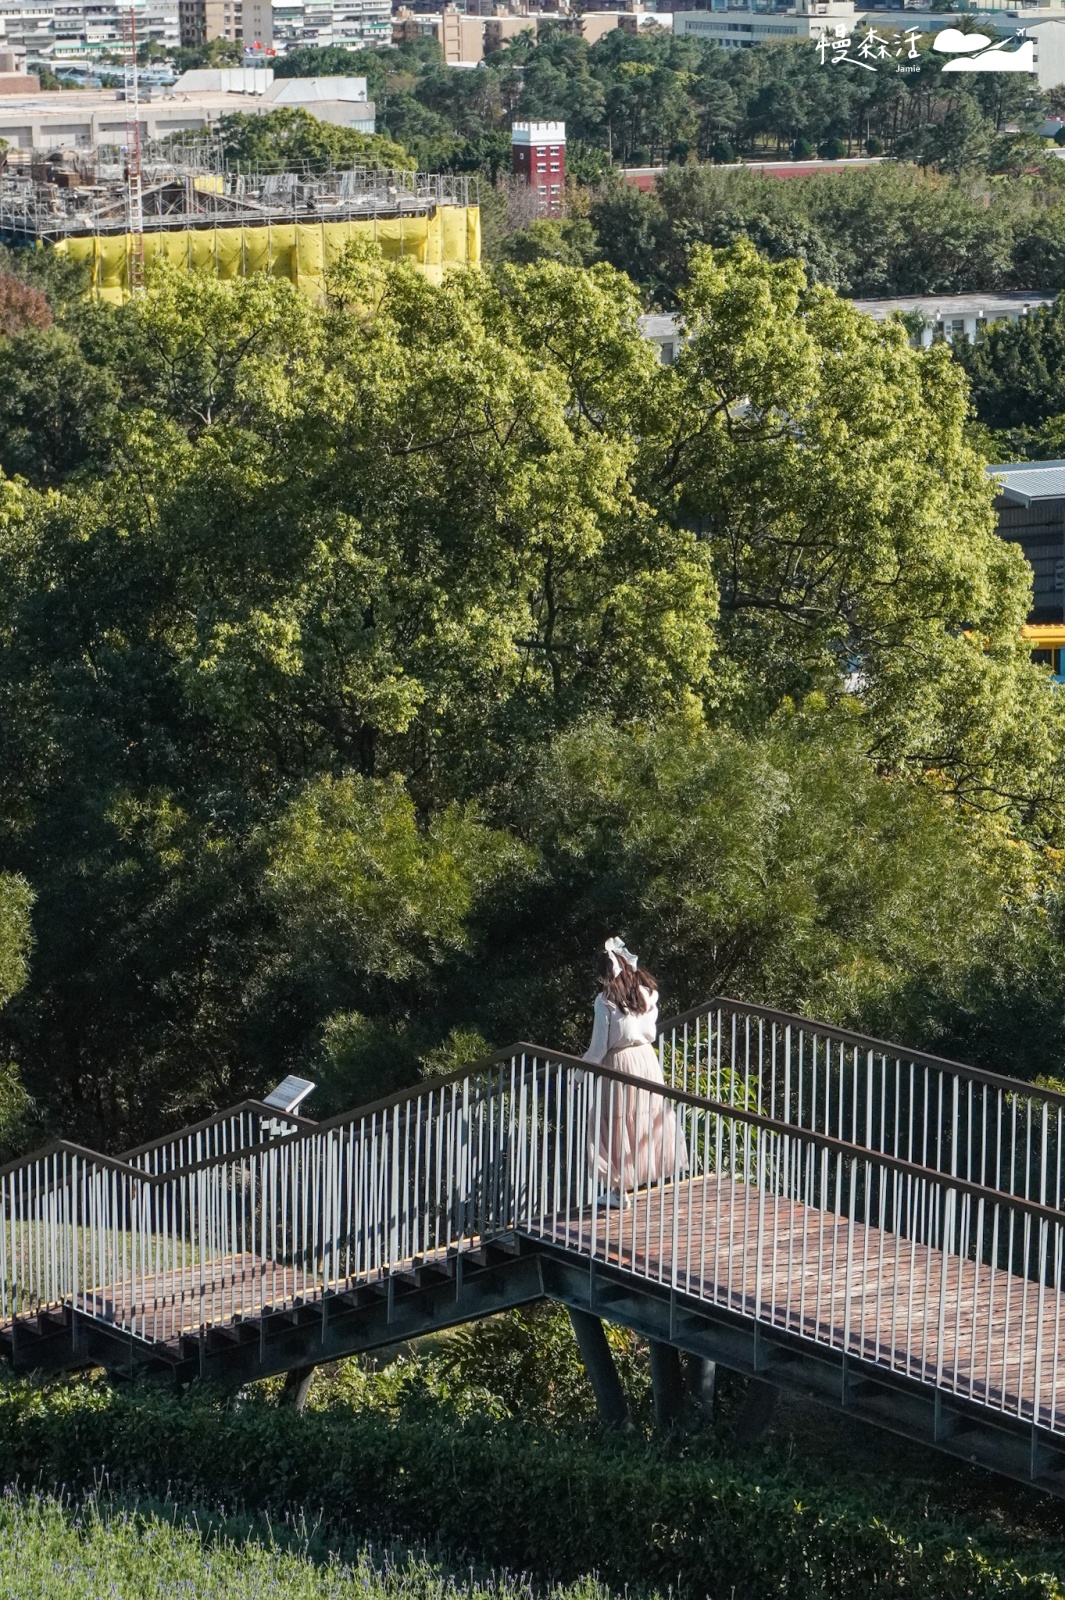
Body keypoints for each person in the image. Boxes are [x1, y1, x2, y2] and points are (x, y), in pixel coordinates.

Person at [582, 937, 688, 1207]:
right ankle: (629, 1185)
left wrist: (578, 1073)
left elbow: (598, 1047)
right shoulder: (644, 993)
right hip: (646, 1060)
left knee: (614, 1122)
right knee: (641, 1119)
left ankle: (619, 1191)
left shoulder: (605, 1001)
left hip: (620, 1063)